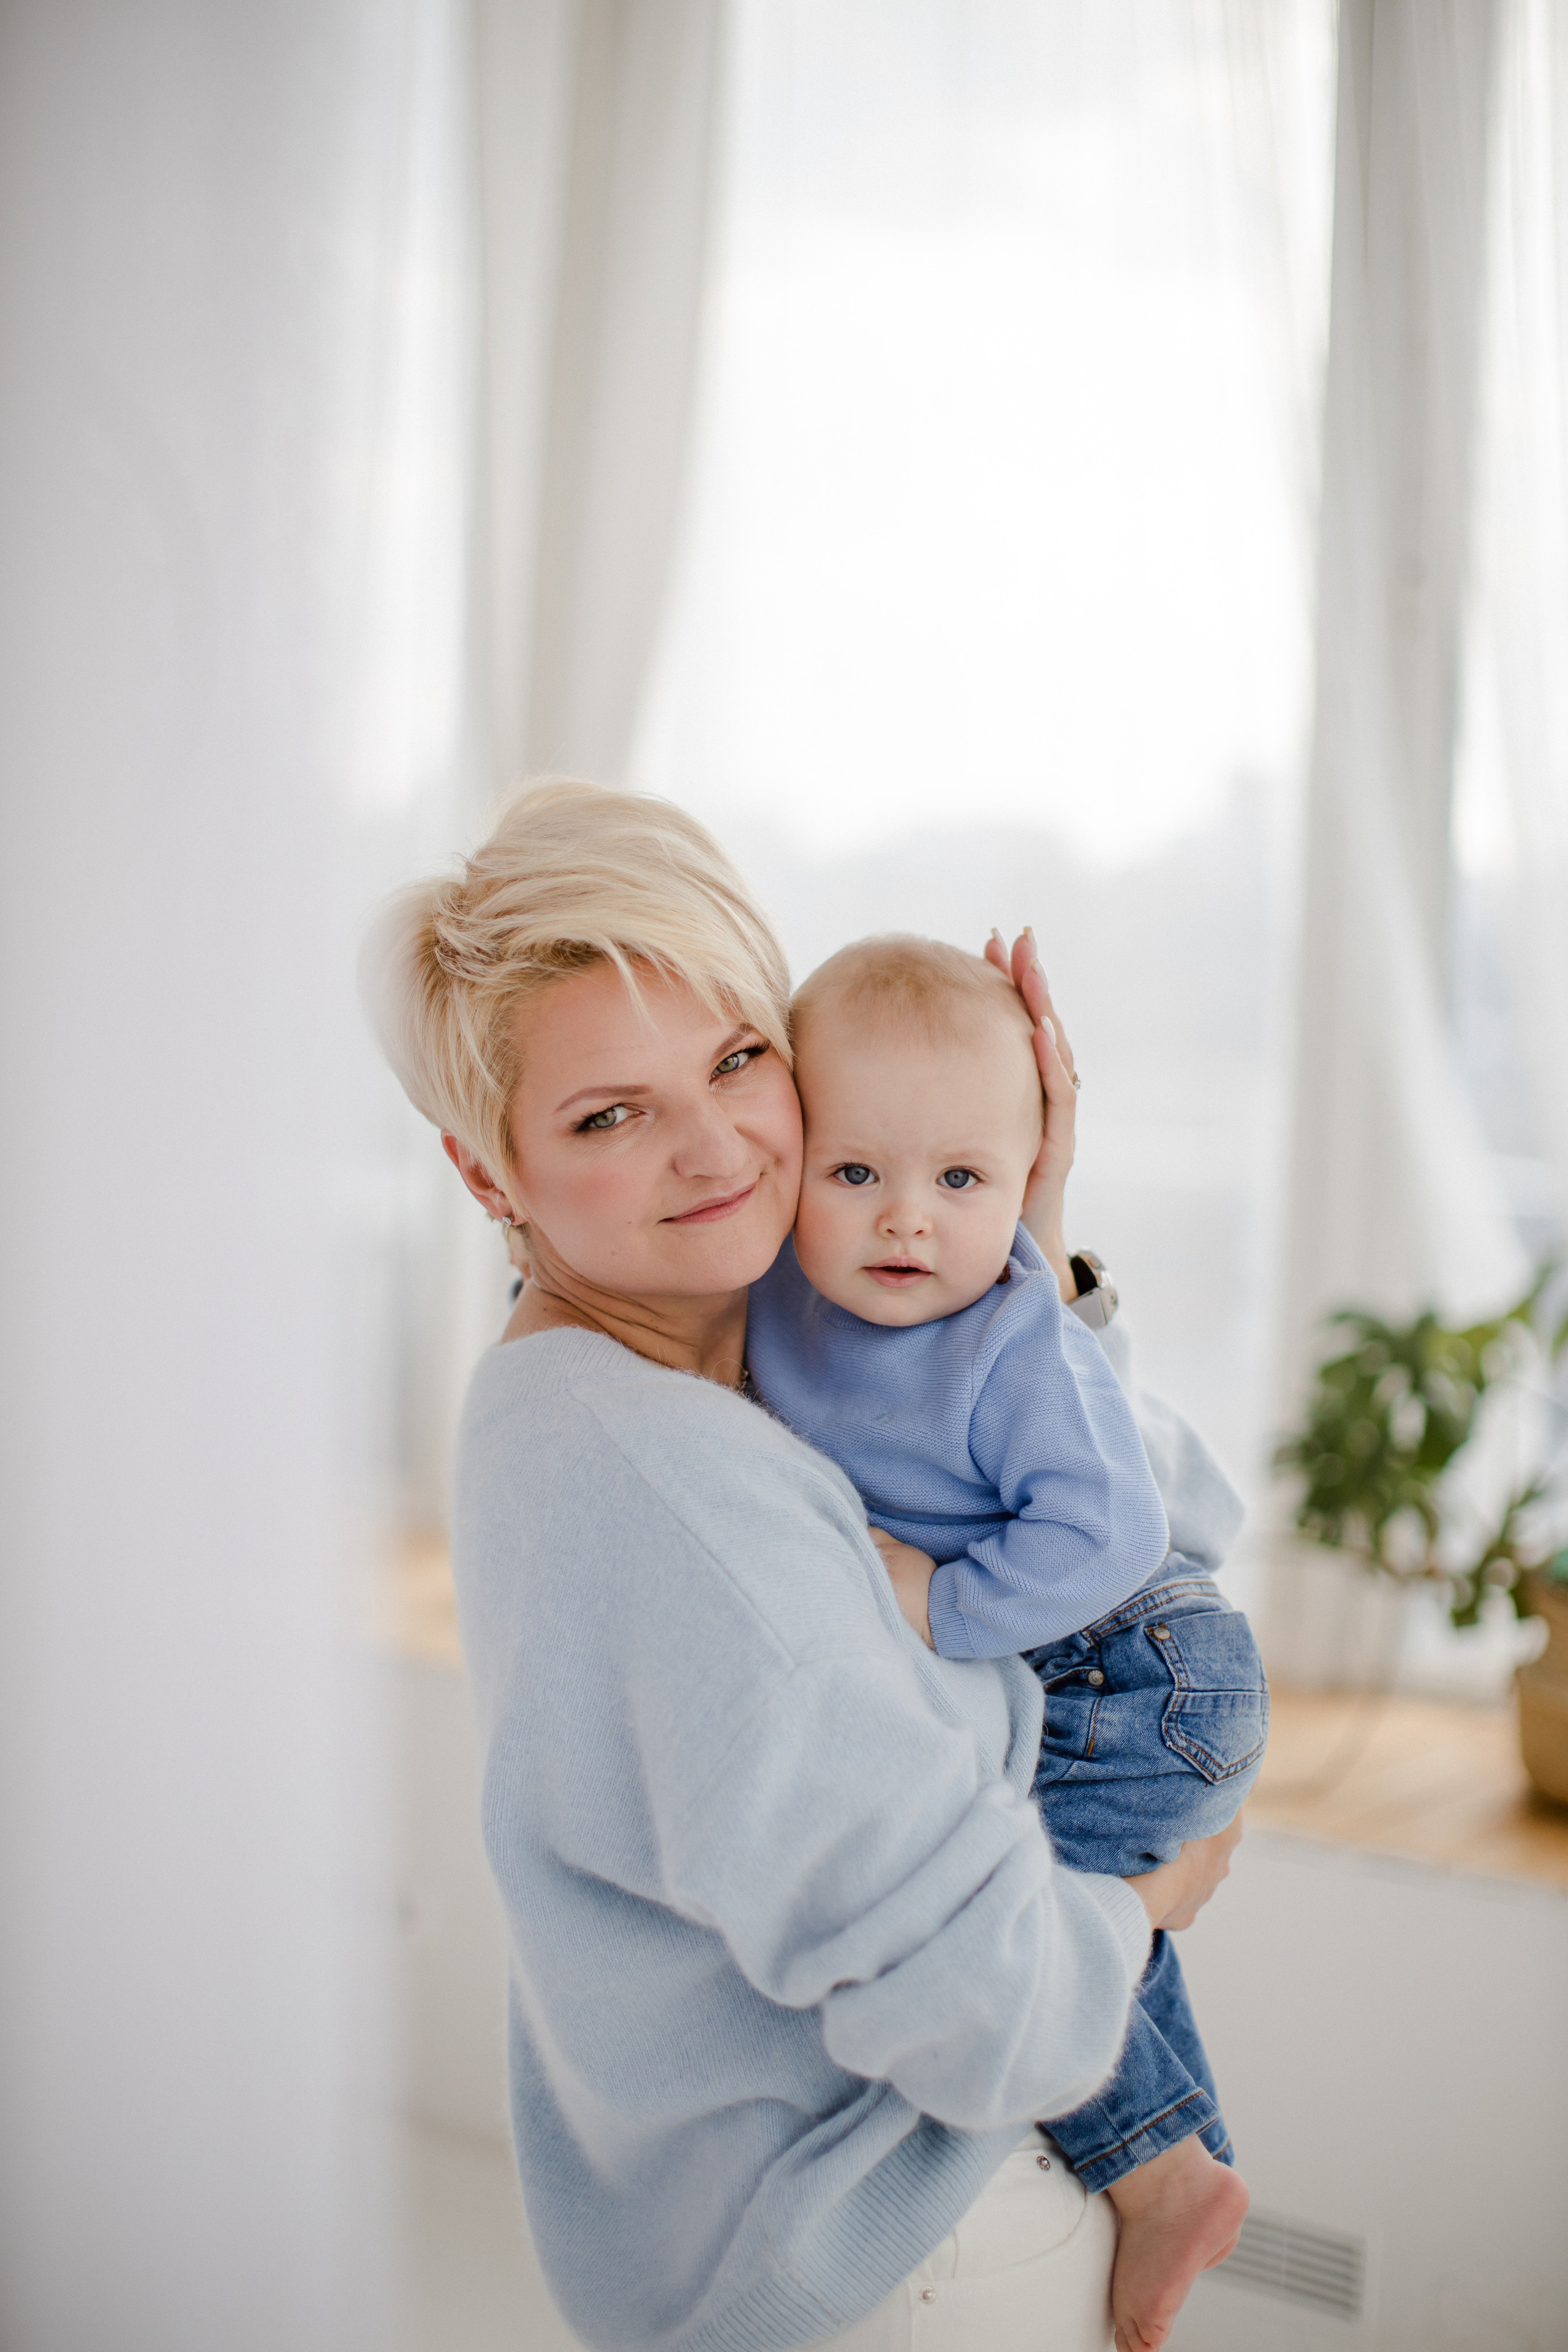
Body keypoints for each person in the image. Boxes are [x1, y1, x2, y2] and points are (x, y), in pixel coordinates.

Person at [365, 778, 1242, 2352]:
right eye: (606, 1115)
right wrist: (1149, 1900)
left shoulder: (702, 1345)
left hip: (791, 2215)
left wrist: (1022, 1234)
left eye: (733, 1059)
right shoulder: (680, 1495)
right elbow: (999, 2022)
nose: (715, 1151)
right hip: (894, 2235)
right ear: (486, 1176)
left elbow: (1156, 1497)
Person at [745, 935, 1265, 2352]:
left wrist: (934, 1607)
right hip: (1076, 1669)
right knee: (1041, 1933)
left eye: (960, 1180)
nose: (905, 1220)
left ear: (1023, 1184)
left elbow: (1108, 1531)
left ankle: (1158, 2173)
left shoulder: (1008, 1331)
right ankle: (1180, 2168)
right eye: (855, 1173)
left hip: (1135, 1665)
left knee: (999, 1934)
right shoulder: (781, 1311)